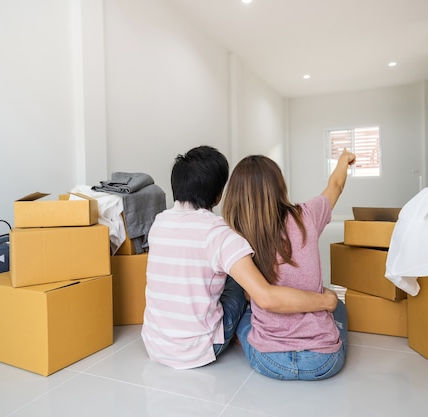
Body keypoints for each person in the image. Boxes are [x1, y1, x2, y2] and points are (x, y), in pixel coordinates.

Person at [141, 145, 339, 370]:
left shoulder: (158, 222)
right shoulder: (220, 234)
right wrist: (326, 300)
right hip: (197, 350)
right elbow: (265, 297)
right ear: (217, 196)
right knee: (239, 280)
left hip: (154, 344)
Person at [222, 148, 356, 381]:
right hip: (323, 361)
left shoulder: (236, 237)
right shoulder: (308, 214)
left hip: (269, 360)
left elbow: (249, 296)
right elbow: (336, 185)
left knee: (247, 310)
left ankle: (249, 337)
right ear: (279, 186)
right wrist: (344, 159)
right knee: (339, 306)